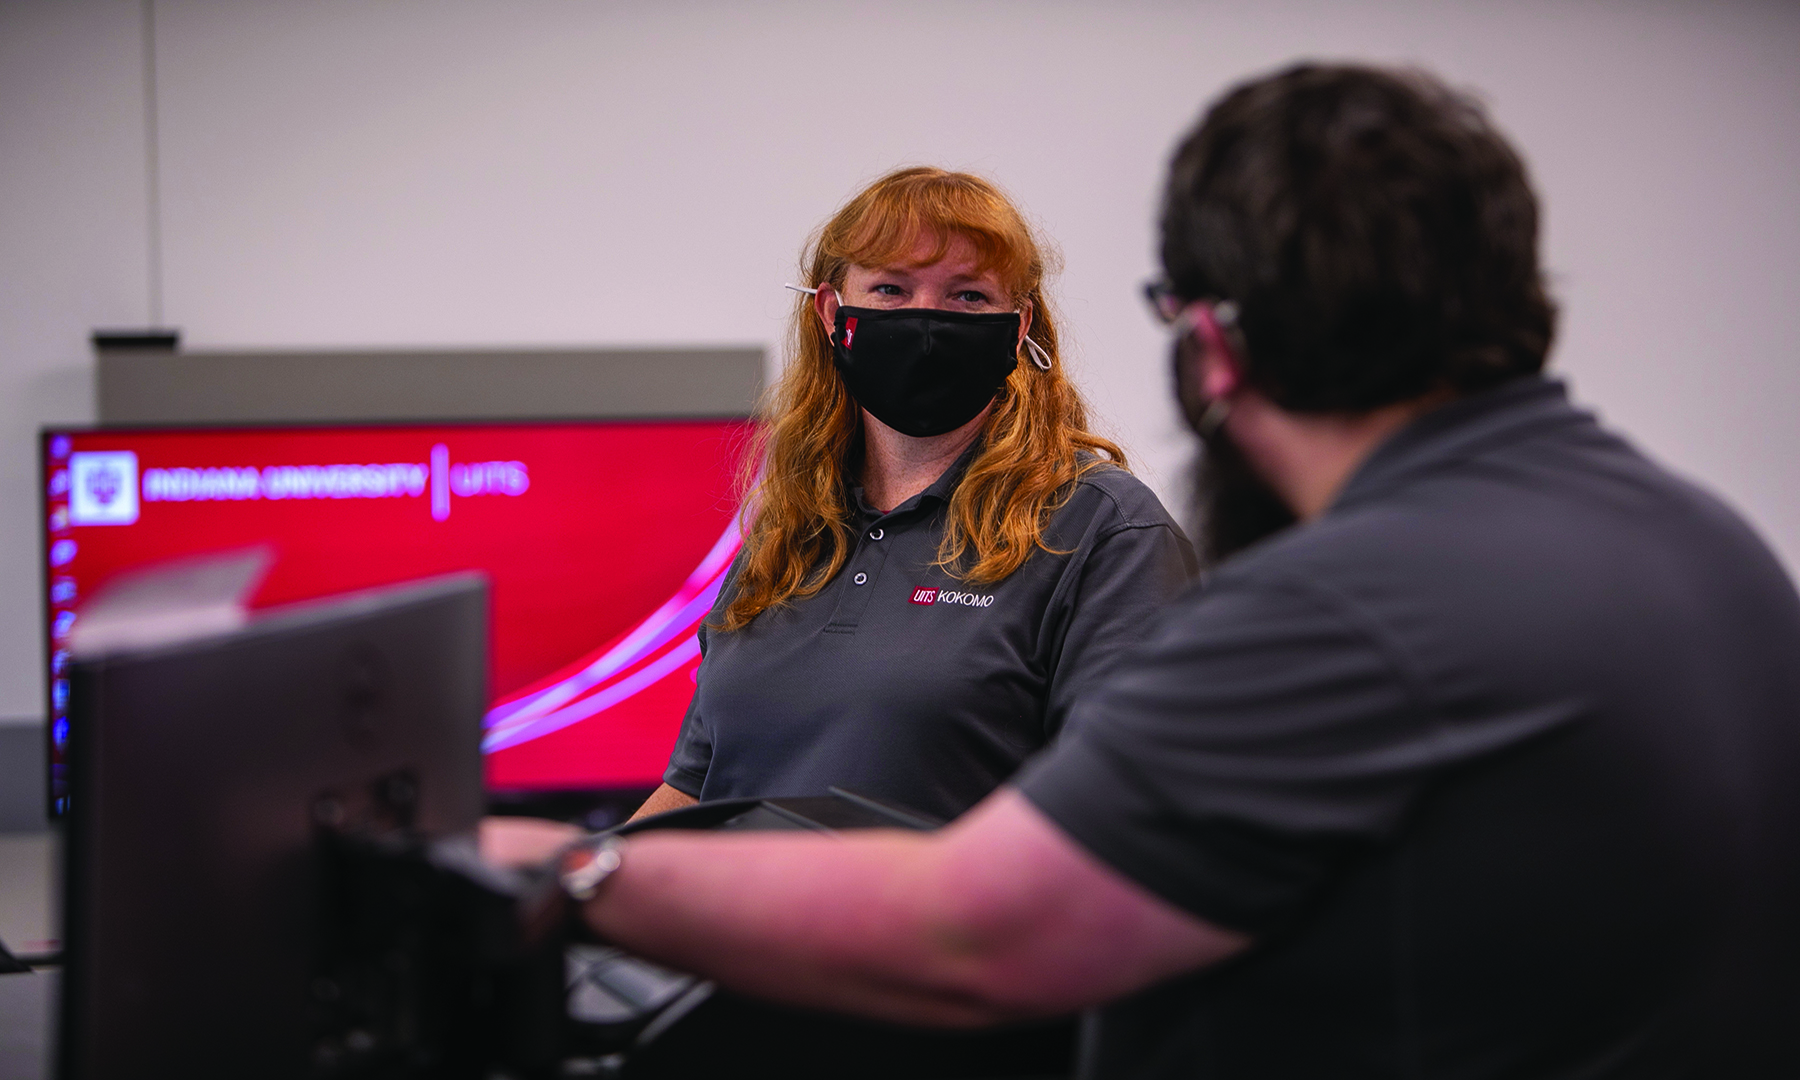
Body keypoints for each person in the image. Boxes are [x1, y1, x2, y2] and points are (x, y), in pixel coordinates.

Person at [493, 65, 1800, 1078]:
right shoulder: (1707, 547)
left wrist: (568, 874)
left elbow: (982, 931)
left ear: (1213, 348)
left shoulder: (1338, 608)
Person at [630, 166, 1196, 825]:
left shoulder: (1103, 531)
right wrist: (573, 880)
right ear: (832, 314)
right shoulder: (791, 529)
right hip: (732, 925)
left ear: (1019, 326)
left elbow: (1124, 815)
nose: (926, 319)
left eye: (968, 297)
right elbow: (698, 786)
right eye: (891, 289)